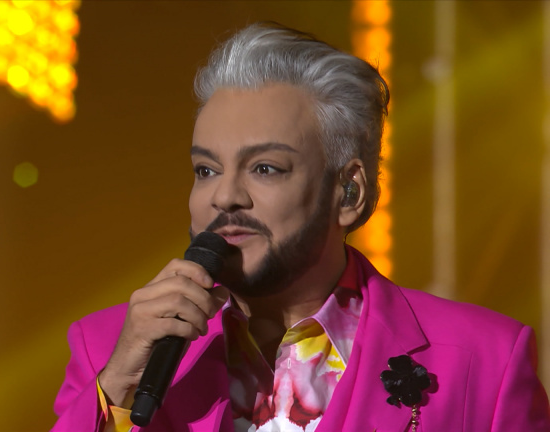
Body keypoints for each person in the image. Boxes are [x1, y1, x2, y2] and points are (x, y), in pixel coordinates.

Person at [50, 22, 550, 432]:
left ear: (348, 193)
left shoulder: (484, 362)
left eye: (265, 168)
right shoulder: (108, 350)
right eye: (206, 170)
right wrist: (118, 388)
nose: (224, 196)